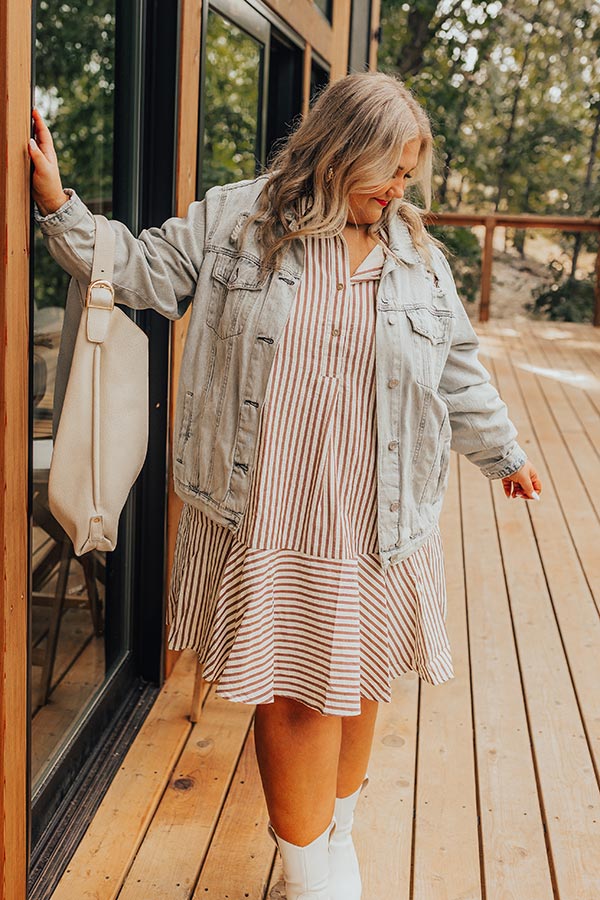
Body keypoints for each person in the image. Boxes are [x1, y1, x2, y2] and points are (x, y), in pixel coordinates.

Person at [29, 71, 542, 900]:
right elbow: (142, 269)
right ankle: (311, 875)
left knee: (364, 678)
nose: (397, 190)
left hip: (378, 512)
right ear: (337, 151)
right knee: (300, 696)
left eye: (408, 174)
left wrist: (505, 454)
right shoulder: (238, 220)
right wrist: (60, 206)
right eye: (387, 171)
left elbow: (457, 370)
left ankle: (335, 832)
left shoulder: (415, 253)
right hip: (267, 511)